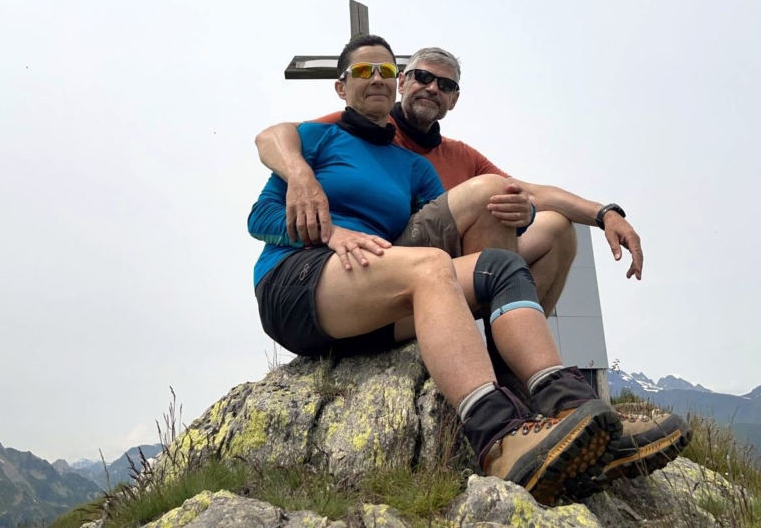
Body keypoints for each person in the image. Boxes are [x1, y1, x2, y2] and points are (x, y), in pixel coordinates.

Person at [254, 46, 691, 485]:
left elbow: (495, 203)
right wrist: (326, 225)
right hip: (300, 280)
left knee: (496, 266)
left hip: (373, 294)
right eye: (364, 71)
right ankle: (499, 439)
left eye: (385, 70)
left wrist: (570, 214)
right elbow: (261, 209)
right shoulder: (321, 136)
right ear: (342, 86)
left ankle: (573, 409)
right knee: (430, 265)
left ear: (397, 80)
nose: (377, 79)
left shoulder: (414, 167)